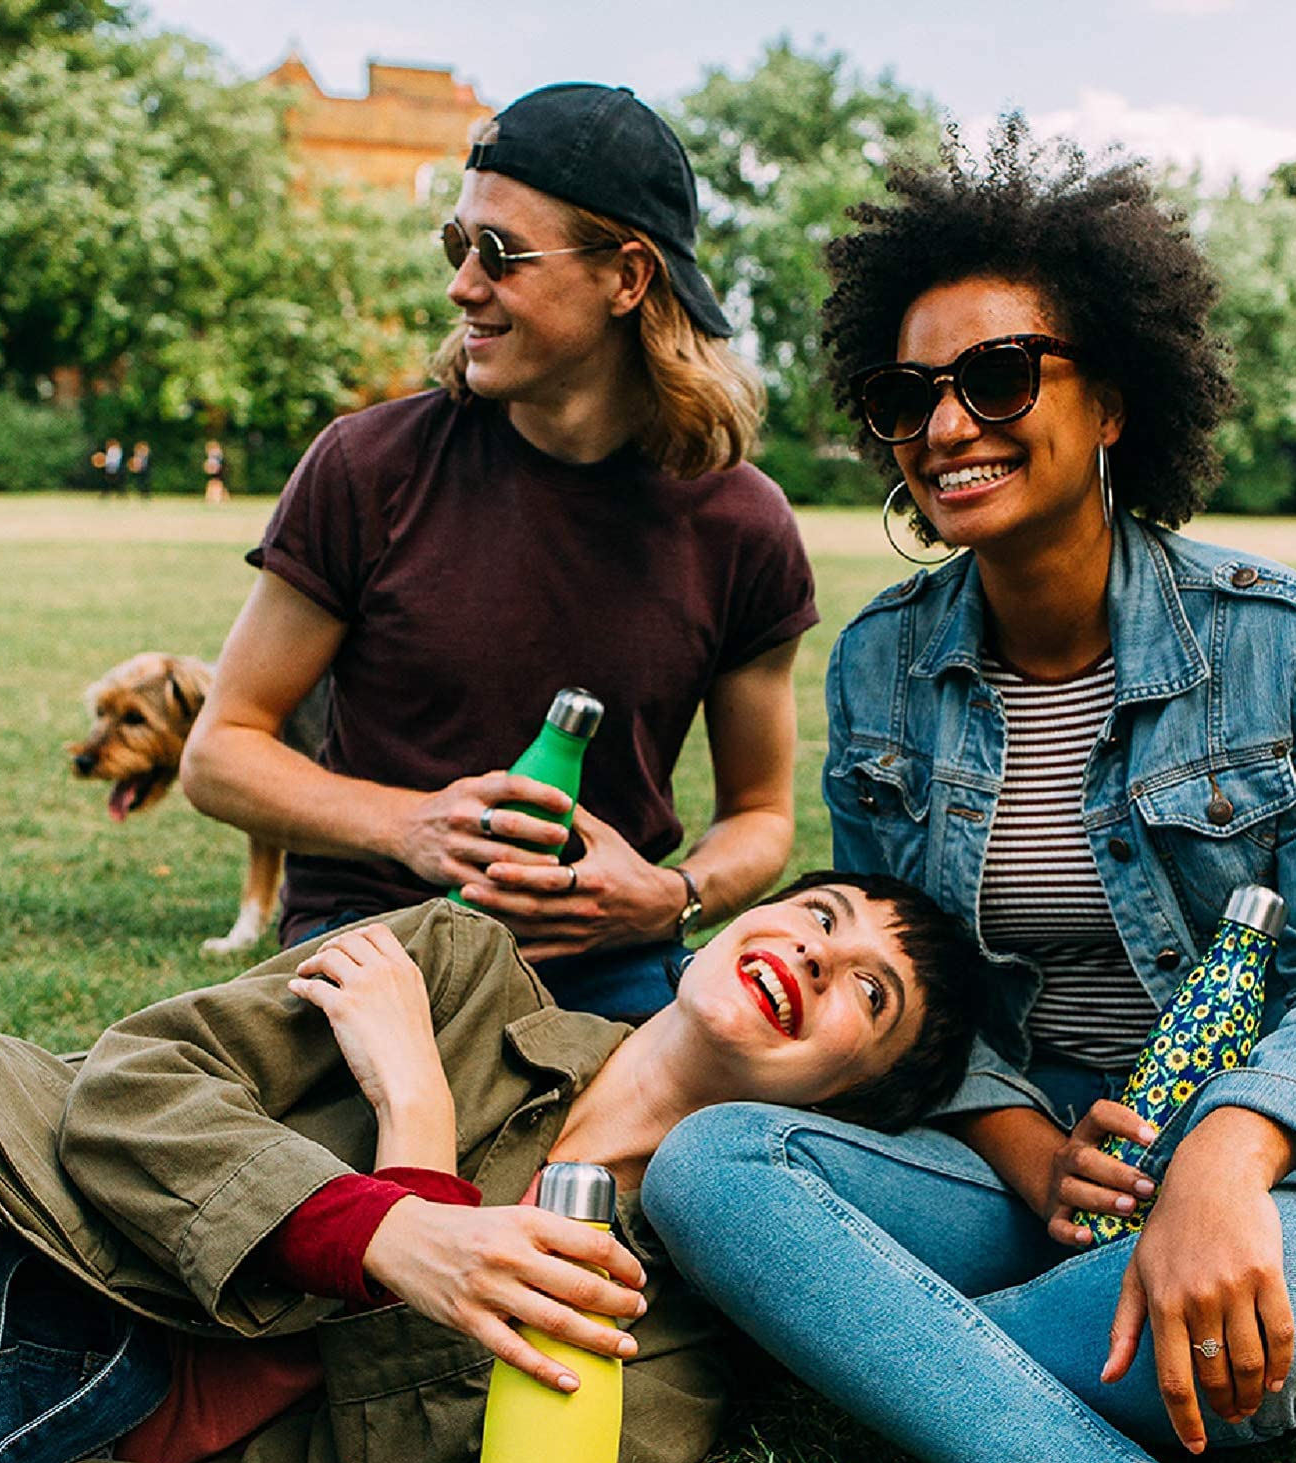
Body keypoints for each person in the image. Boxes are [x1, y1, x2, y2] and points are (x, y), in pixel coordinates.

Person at [643, 120, 1296, 1463]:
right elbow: (906, 985)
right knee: (710, 1166)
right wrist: (1026, 1148)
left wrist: (1222, 1162)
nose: (942, 430)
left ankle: (876, 1358)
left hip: (1265, 1175)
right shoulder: (881, 662)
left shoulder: (1278, 642)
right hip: (1013, 1168)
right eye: (905, 395)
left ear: (1109, 401)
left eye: (993, 379)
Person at [0, 872, 981, 1463]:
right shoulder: (450, 968)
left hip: (46, 1455)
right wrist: (380, 1229)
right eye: (821, 912)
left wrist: (413, 1138)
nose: (820, 954)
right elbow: (134, 1086)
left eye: (870, 995)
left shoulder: (671, 1346)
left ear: (845, 1112)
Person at [179, 82, 818, 1018]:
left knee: (666, 1163)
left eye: (500, 255)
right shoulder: (369, 466)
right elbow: (221, 751)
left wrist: (672, 896)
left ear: (627, 279)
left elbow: (759, 815)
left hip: (607, 970)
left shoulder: (741, 526)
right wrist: (409, 826)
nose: (461, 284)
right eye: (457, 244)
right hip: (371, 946)